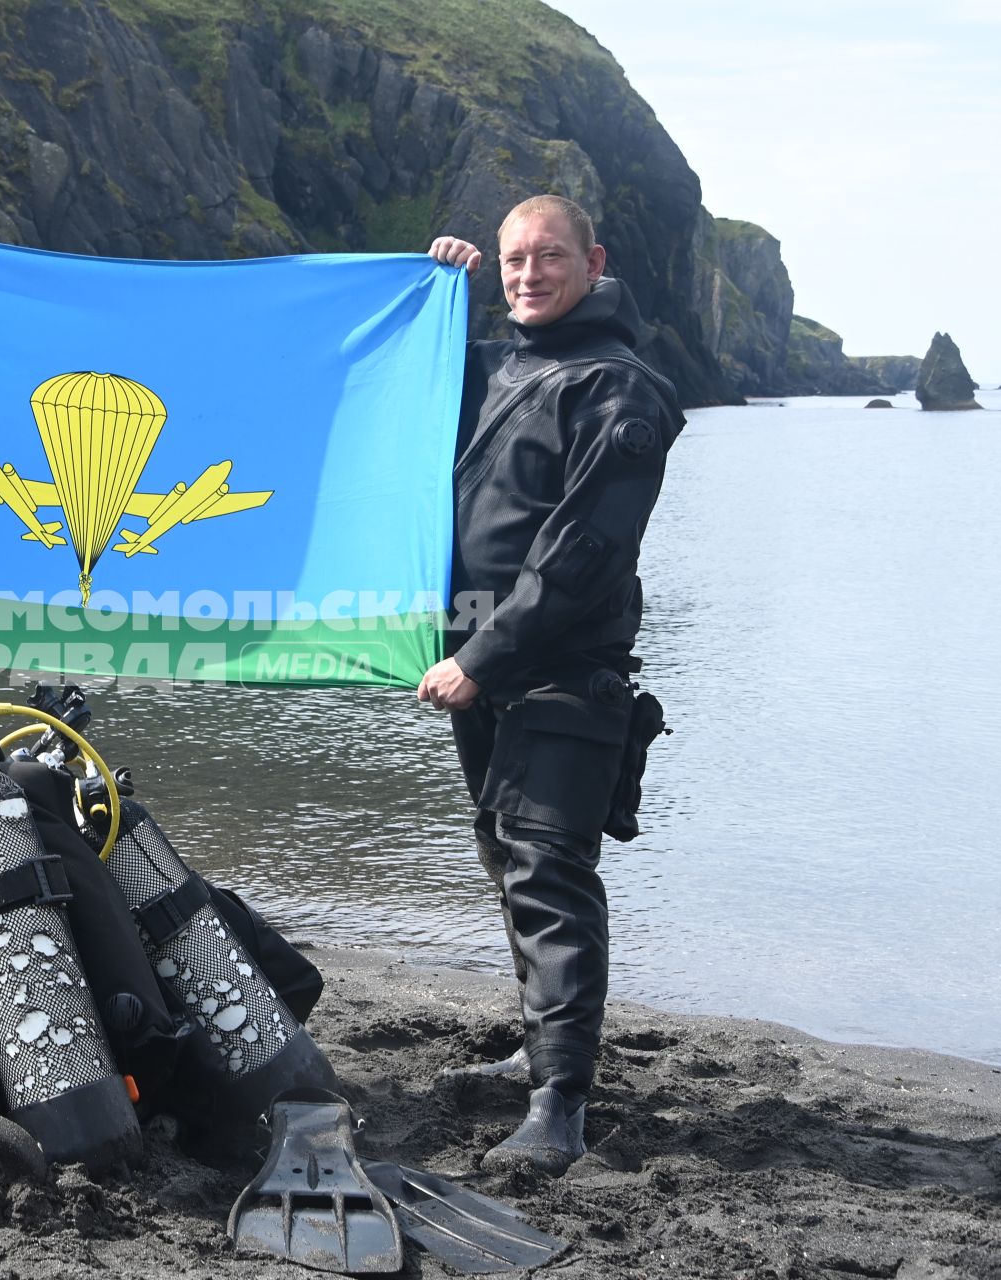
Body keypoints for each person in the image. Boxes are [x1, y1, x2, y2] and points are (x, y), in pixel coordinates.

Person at [418, 195, 683, 1175]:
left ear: (593, 259)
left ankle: (560, 1104)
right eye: (513, 258)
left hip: (565, 671)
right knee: (505, 856)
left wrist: (481, 659)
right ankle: (542, 1046)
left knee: (548, 871)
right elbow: (396, 415)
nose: (530, 272)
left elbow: (586, 554)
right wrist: (441, 290)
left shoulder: (623, 391)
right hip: (476, 672)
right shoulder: (492, 364)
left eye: (549, 256)